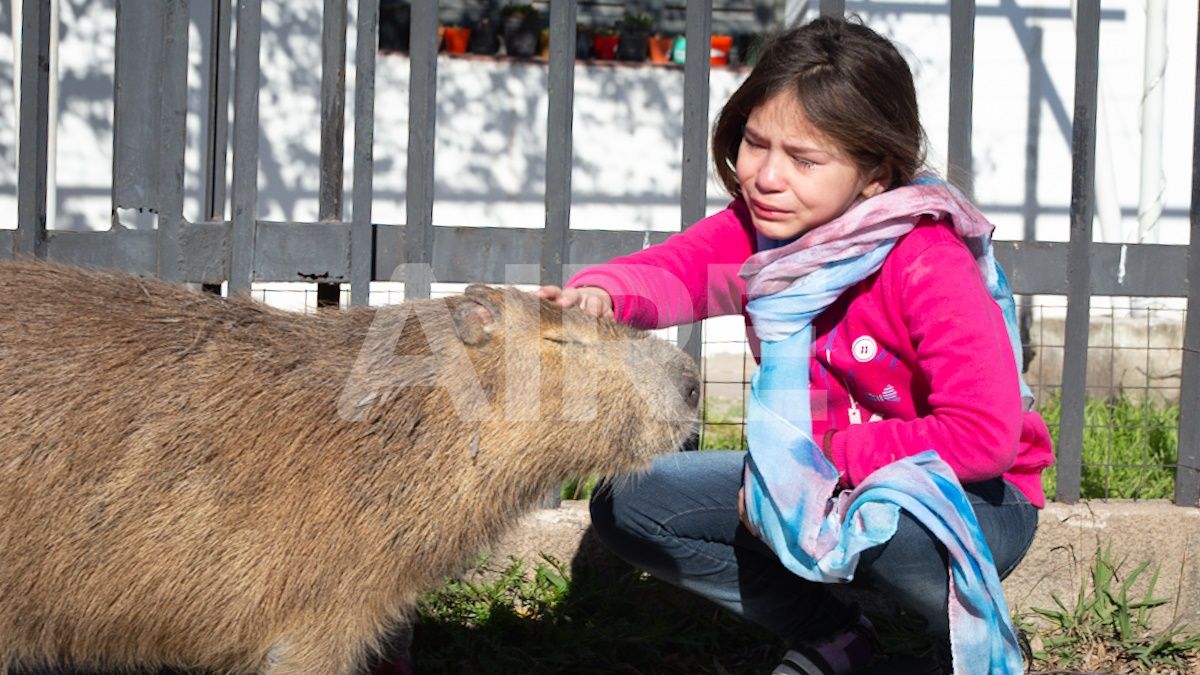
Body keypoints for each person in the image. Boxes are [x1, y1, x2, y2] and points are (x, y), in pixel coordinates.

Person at [537, 15, 1054, 675]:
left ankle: (944, 646)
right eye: (756, 143)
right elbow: (676, 273)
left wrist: (827, 462)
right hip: (822, 480)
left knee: (891, 524)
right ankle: (839, 638)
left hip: (970, 497)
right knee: (633, 502)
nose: (766, 177)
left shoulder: (926, 261)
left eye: (805, 159)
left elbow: (984, 436)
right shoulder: (763, 236)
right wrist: (602, 298)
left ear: (876, 173)